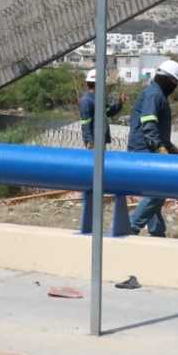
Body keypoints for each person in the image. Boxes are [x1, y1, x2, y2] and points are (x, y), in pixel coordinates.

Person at [126, 60, 178, 237]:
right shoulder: (154, 95)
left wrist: (173, 150)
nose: (175, 88)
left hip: (149, 150)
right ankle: (130, 227)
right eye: (175, 83)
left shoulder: (156, 93)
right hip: (144, 152)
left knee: (155, 191)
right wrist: (160, 150)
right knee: (159, 191)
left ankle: (157, 231)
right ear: (168, 80)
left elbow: (158, 132)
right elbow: (149, 125)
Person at [78, 68, 127, 235]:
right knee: (94, 169)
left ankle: (97, 192)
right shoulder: (87, 101)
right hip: (95, 143)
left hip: (100, 140)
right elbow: (85, 122)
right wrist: (89, 141)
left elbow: (109, 112)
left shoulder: (97, 99)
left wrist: (119, 103)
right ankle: (91, 194)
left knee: (100, 169)